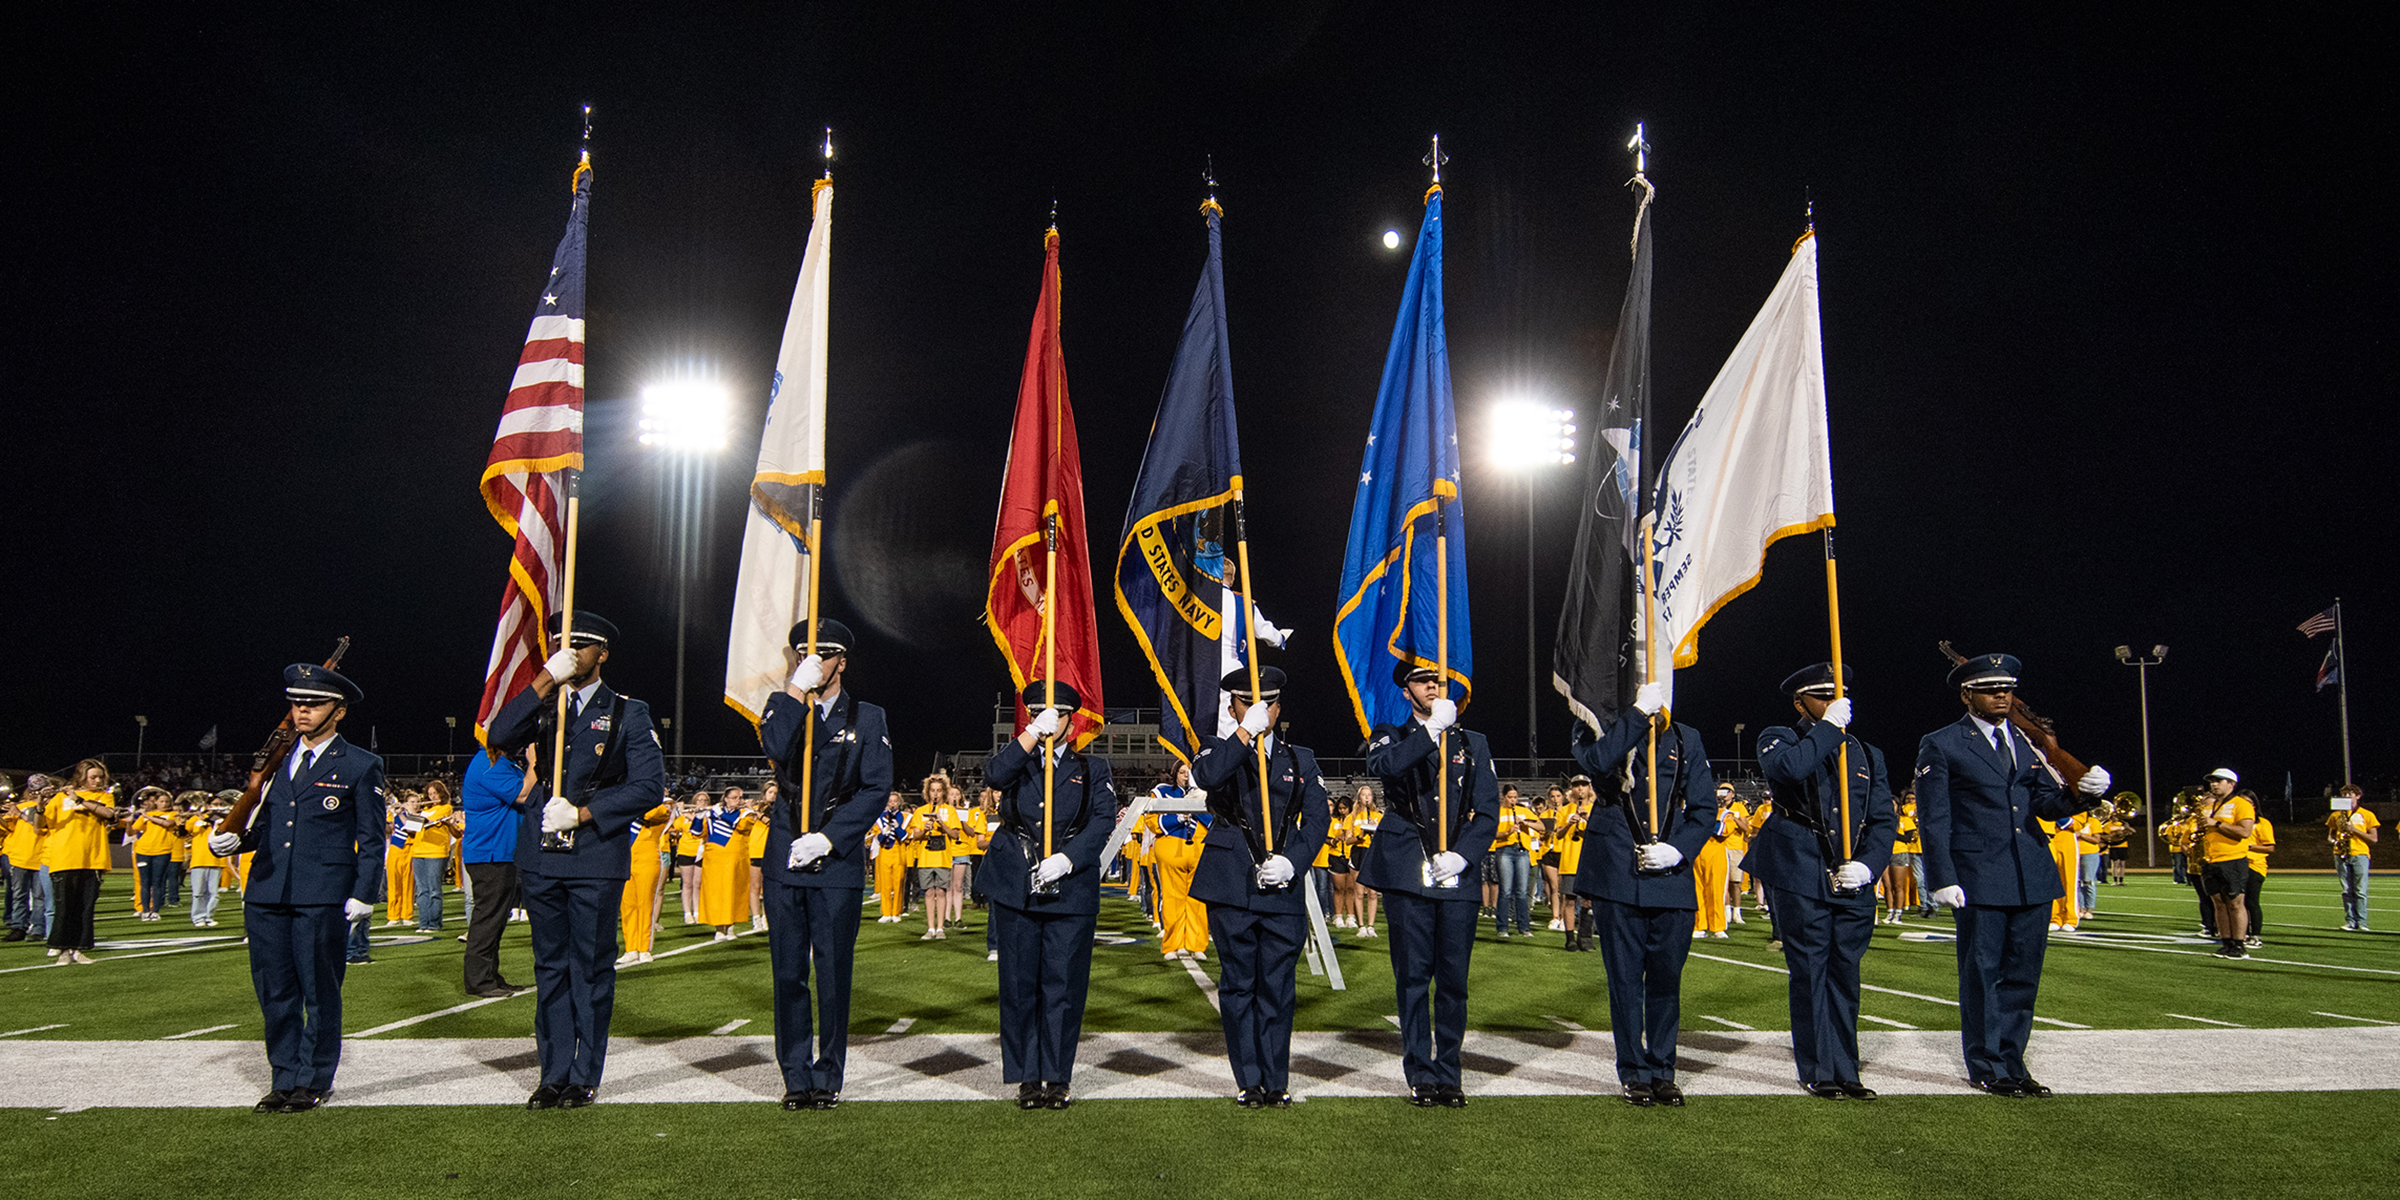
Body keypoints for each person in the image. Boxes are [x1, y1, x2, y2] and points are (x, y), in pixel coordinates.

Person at [484, 610, 669, 1110]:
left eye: (581, 646)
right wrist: (544, 679)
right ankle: (553, 1071)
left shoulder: (630, 711)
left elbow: (650, 785)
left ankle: (584, 1074)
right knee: (549, 968)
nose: (572, 653)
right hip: (542, 854)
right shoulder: (544, 705)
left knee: (589, 968)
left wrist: (585, 813)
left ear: (602, 653)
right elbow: (498, 735)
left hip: (593, 854)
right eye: (562, 645)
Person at [1914, 652, 2112, 1097]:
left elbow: (2045, 805)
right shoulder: (1942, 743)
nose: (2001, 694)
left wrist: (2083, 795)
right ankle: (1986, 1064)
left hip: (2031, 873)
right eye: (1989, 688)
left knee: (2023, 974)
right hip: (1979, 875)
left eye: (2006, 687)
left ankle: (2013, 1061)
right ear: (1967, 695)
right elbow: (1934, 817)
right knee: (1982, 973)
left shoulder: (2028, 744)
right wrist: (1942, 876)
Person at [204, 663, 385, 1113]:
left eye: (314, 703)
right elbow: (265, 826)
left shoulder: (361, 764)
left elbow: (372, 837)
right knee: (276, 991)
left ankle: (314, 1078)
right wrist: (234, 840)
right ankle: (283, 1077)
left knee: (319, 990)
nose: (302, 712)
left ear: (338, 712)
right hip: (267, 890)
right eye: (297, 703)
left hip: (322, 892)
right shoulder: (275, 762)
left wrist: (365, 892)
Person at [756, 618, 895, 1111]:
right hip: (785, 856)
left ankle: (827, 1073)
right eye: (803, 654)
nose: (813, 661)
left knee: (833, 972)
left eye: (824, 654)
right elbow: (774, 747)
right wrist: (796, 688)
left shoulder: (868, 716)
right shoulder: (782, 706)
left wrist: (831, 839)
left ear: (842, 660)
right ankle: (795, 1074)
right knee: (788, 972)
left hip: (834, 863)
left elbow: (877, 787)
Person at [1753, 663, 1897, 1100]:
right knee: (1811, 970)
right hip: (1799, 867)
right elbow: (1790, 770)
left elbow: (1882, 819)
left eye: (1841, 696)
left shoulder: (1868, 753)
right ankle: (1819, 1068)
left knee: (1845, 972)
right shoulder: (1779, 737)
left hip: (1852, 876)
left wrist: (1870, 866)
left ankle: (1847, 1069)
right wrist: (1828, 729)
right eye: (1823, 696)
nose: (1837, 703)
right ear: (1800, 702)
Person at [1189, 665, 1331, 1108]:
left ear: (1278, 708)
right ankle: (1248, 1079)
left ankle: (1276, 1078)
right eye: (1247, 703)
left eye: (1266, 704)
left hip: (1281, 883)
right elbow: (1210, 778)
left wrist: (1294, 861)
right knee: (1237, 985)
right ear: (1231, 708)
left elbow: (1319, 819)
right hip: (1231, 882)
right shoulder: (1215, 748)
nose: (1258, 710)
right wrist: (1244, 736)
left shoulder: (1300, 758)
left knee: (1277, 986)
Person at [1361, 661, 1501, 1108]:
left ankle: (1450, 1071)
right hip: (1406, 866)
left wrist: (1465, 854)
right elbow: (1386, 767)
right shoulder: (1392, 733)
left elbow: (1489, 809)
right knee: (1413, 978)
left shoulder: (1473, 742)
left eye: (1438, 681)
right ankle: (1420, 1071)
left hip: (1456, 868)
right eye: (1422, 682)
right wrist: (1430, 732)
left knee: (1454, 979)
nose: (1432, 687)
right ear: (1407, 692)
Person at [1571, 682, 1715, 1108]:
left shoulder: (1687, 738)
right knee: (1626, 982)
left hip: (1670, 875)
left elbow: (1703, 808)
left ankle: (1663, 1069)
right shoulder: (1595, 726)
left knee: (1667, 981)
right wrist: (1637, 715)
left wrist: (1678, 849)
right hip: (1617, 870)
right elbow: (1596, 761)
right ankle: (1633, 1071)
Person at [982, 680, 1120, 1110]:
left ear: (1071, 721)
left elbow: (1101, 822)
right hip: (1016, 882)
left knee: (1063, 984)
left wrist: (1068, 859)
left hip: (1070, 886)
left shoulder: (1092, 768)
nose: (1051, 720)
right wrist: (1028, 736)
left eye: (1058, 713)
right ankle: (1026, 1076)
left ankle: (1057, 1076)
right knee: (1020, 984)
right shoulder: (1018, 761)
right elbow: (993, 775)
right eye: (1041, 712)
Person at [460, 746, 529, 997]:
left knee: (496, 921)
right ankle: (479, 980)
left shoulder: (503, 763)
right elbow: (522, 795)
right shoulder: (488, 763)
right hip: (490, 853)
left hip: (500, 852)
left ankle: (490, 975)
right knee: (487, 919)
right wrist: (533, 763)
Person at [46, 760, 122, 963]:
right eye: (93, 777)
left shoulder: (104, 796)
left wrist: (79, 799)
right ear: (82, 777)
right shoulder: (60, 797)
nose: (97, 781)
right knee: (64, 908)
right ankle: (62, 950)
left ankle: (79, 949)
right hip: (64, 858)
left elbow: (108, 813)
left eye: (100, 777)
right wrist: (39, 804)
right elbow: (41, 824)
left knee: (86, 908)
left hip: (93, 859)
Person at [2192, 769, 2256, 959]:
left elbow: (2244, 832)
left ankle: (2239, 945)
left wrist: (2217, 824)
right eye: (2212, 781)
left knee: (2236, 903)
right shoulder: (2210, 806)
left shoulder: (2241, 804)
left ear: (2231, 784)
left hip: (2233, 859)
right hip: (2210, 859)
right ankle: (2226, 942)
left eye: (2219, 781)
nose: (2214, 784)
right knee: (2219, 903)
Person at [617, 795, 671, 966]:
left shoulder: (664, 804)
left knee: (645, 903)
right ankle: (630, 947)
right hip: (626, 857)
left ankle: (644, 947)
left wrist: (637, 803)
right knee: (627, 905)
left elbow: (651, 815)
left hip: (647, 857)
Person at [697, 790, 752, 938]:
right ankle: (719, 927)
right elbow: (696, 833)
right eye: (734, 797)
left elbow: (739, 826)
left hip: (735, 859)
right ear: (726, 799)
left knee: (732, 891)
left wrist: (719, 814)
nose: (738, 800)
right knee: (715, 893)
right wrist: (698, 816)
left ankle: (730, 925)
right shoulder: (712, 814)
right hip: (714, 859)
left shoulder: (746, 814)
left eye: (740, 797)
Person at [410, 781, 461, 933]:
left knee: (434, 889)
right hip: (418, 851)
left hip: (436, 852)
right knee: (421, 890)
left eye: (435, 794)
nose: (432, 797)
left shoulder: (446, 808)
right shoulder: (424, 809)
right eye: (430, 794)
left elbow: (428, 822)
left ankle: (434, 923)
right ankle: (423, 923)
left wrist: (413, 813)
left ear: (441, 794)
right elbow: (413, 830)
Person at [3, 777, 49, 942]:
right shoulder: (20, 806)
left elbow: (40, 825)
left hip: (41, 857)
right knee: (19, 895)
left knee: (39, 897)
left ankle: (37, 928)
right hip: (20, 857)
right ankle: (18, 928)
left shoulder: (48, 808)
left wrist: (19, 813)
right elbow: (6, 828)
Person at [2329, 784, 2378, 931]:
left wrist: (2354, 830)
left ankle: (2362, 922)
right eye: (2344, 795)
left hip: (2360, 854)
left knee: (2360, 890)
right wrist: (2335, 842)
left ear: (2358, 796)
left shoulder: (2367, 814)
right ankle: (2350, 921)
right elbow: (2330, 835)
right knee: (2346, 890)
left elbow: (2374, 839)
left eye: (2350, 795)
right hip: (2341, 854)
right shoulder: (2336, 815)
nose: (2347, 798)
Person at [1692, 784, 1735, 940]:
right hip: (1697, 854)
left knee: (1716, 891)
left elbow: (1722, 830)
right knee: (1697, 891)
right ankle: (1699, 925)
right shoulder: (1694, 812)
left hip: (1716, 856)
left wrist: (1703, 820)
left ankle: (1718, 927)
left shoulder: (1726, 813)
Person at [1491, 786, 1535, 939]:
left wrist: (1526, 824)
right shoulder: (1498, 811)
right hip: (1505, 850)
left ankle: (1524, 926)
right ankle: (1502, 927)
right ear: (1504, 797)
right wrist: (1508, 832)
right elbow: (1492, 834)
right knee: (1506, 890)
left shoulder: (1523, 811)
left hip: (1522, 851)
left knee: (1522, 891)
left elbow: (1542, 826)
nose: (1513, 800)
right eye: (1510, 797)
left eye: (1515, 797)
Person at [1883, 785, 1923, 924]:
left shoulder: (1904, 820)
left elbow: (1909, 838)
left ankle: (1898, 913)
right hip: (1885, 852)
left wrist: (1894, 834)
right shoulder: (1883, 821)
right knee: (1887, 885)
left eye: (1893, 805)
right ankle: (1889, 912)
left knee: (1898, 885)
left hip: (1899, 852)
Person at [870, 794, 910, 923]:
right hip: (884, 851)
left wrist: (897, 828)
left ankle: (896, 912)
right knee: (885, 883)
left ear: (899, 802)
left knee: (898, 882)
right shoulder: (879, 817)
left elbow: (906, 837)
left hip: (899, 851)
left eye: (895, 801)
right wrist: (883, 833)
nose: (892, 803)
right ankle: (886, 912)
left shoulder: (905, 817)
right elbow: (876, 838)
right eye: (890, 801)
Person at [2243, 805, 2274, 949]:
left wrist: (2248, 847)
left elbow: (2270, 847)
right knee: (2238, 902)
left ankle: (2255, 935)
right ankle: (2243, 934)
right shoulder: (2236, 821)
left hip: (2255, 865)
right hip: (2237, 864)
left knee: (2251, 902)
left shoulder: (2262, 823)